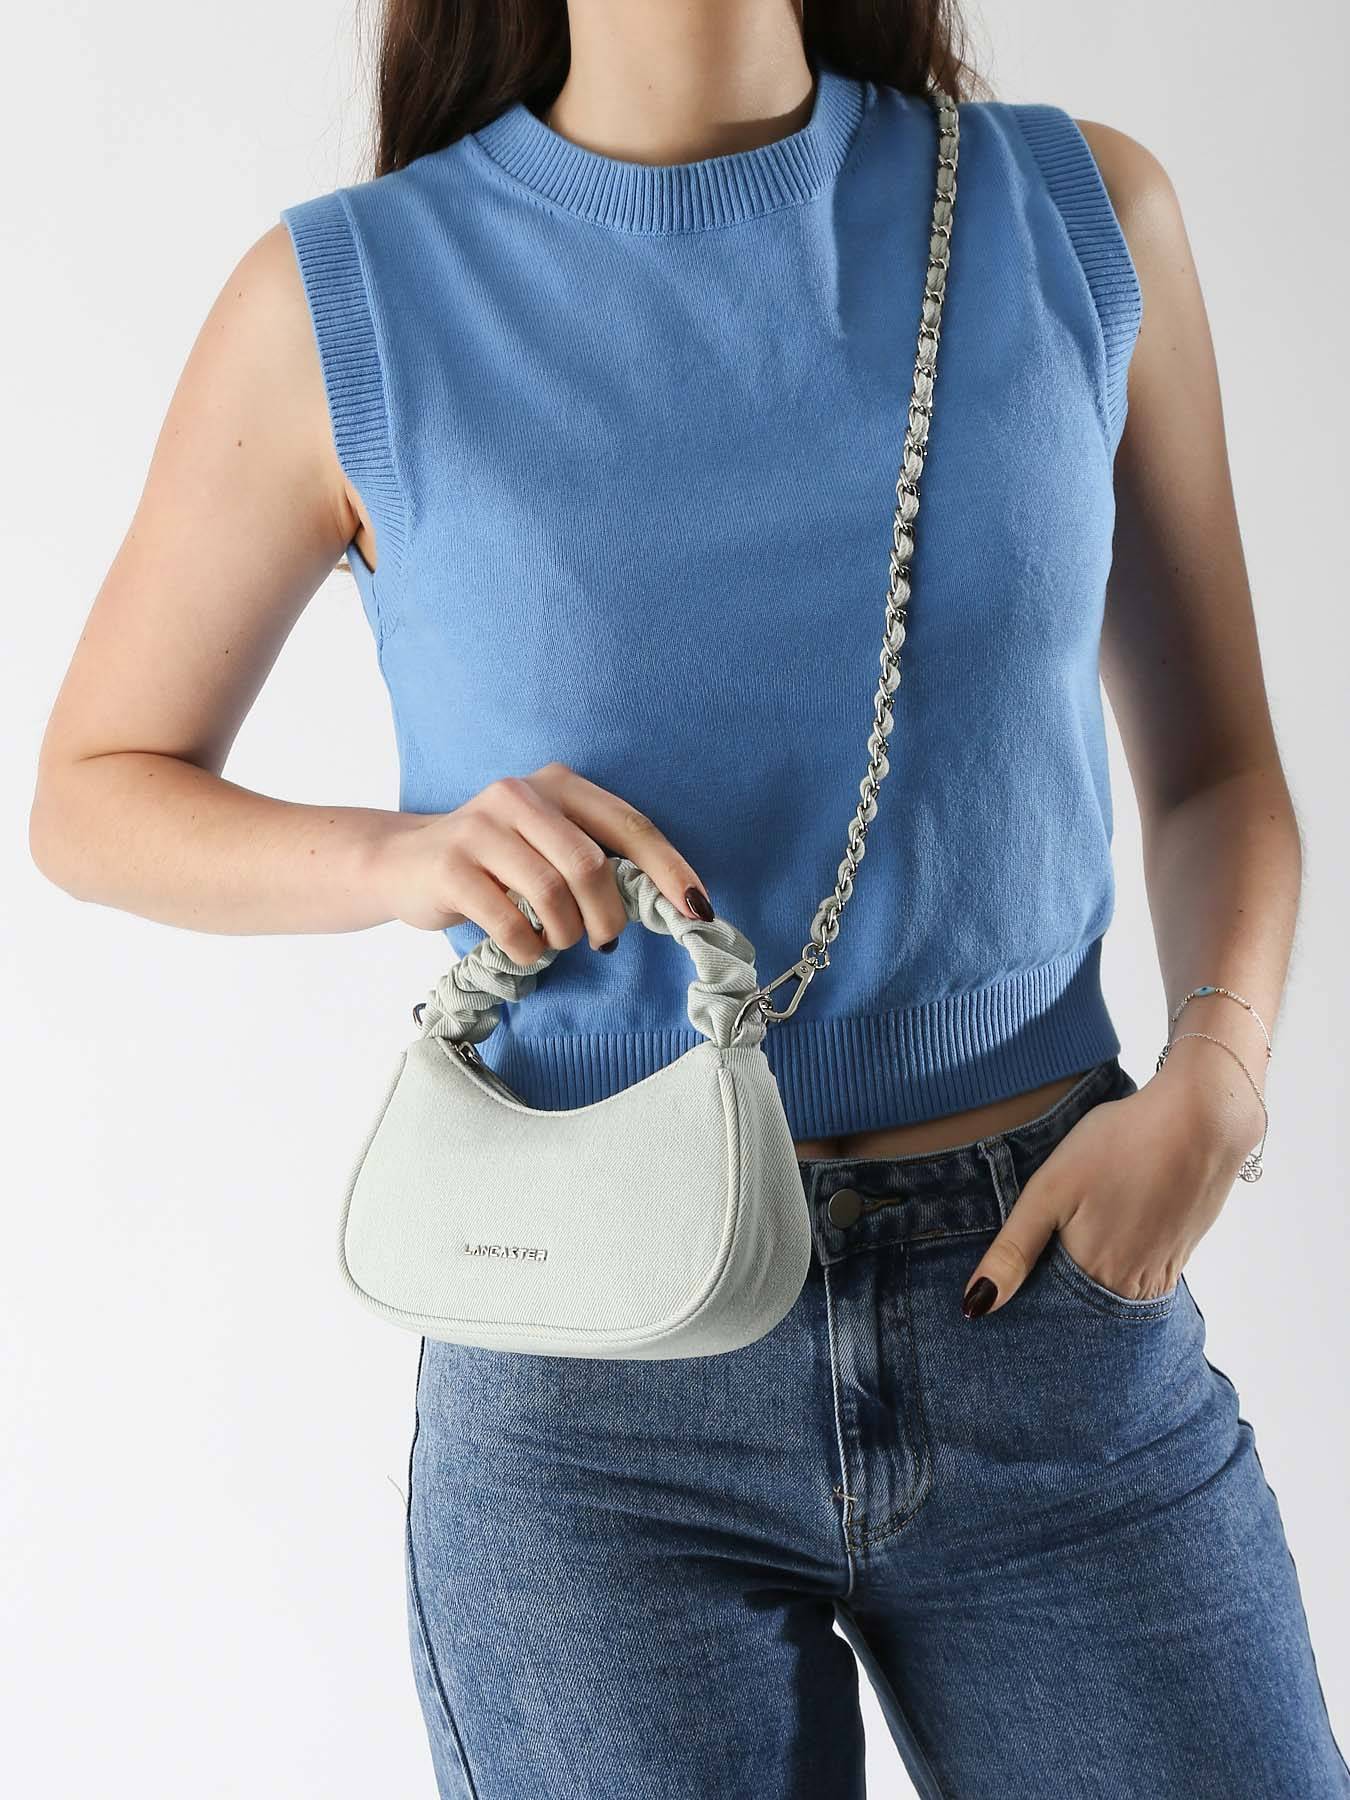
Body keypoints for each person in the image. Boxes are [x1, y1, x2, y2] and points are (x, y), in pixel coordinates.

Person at [28, 3, 1349, 1796]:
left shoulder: (1074, 211)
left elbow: (1215, 770)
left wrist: (1218, 1084)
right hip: (590, 1380)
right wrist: (399, 857)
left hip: (1045, 1299)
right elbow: (95, 794)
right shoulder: (347, 298)